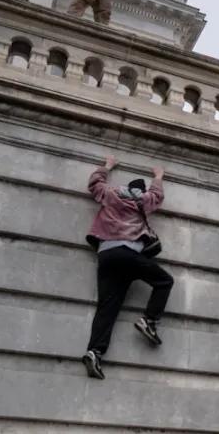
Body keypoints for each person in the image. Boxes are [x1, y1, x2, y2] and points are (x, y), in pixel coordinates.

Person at [82, 155, 173, 380]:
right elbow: (157, 196)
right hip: (127, 252)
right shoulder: (143, 200)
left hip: (105, 254)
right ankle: (149, 321)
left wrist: (107, 166)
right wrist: (158, 176)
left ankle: (95, 352)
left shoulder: (111, 194)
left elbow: (94, 184)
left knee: (108, 307)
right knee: (164, 281)